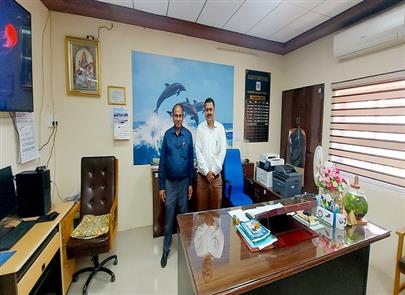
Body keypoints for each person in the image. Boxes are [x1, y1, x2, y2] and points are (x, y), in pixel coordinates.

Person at [158, 103, 194, 268]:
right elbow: (162, 163)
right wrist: (161, 186)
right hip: (170, 185)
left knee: (185, 218)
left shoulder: (188, 135)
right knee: (169, 220)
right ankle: (166, 250)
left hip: (184, 183)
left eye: (180, 116)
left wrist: (191, 184)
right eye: (176, 115)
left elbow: (191, 162)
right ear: (172, 117)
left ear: (183, 117)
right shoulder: (167, 135)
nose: (178, 118)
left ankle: (186, 248)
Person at [195, 97, 226, 211]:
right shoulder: (200, 128)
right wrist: (206, 172)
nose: (209, 112)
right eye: (207, 110)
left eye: (210, 109)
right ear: (204, 111)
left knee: (216, 214)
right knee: (202, 213)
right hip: (202, 178)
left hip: (216, 178)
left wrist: (212, 172)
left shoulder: (221, 128)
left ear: (214, 110)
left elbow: (222, 152)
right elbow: (198, 151)